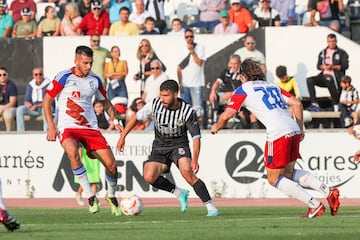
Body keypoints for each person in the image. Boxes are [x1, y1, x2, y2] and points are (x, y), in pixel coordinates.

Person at [210, 58, 340, 218]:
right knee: (288, 173)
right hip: (293, 129)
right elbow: (297, 104)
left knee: (274, 179)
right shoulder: (272, 86)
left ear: (243, 76)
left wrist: (216, 126)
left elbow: (227, 114)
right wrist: (300, 129)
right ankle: (328, 190)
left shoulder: (243, 89)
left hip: (278, 133)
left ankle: (314, 205)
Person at [117, 79, 221, 217]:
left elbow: (196, 137)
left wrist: (195, 159)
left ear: (176, 94)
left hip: (179, 145)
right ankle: (179, 193)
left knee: (187, 173)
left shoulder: (187, 111)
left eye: (166, 96)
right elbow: (137, 117)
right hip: (160, 145)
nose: (162, 99)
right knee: (149, 177)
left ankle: (211, 208)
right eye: (161, 95)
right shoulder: (154, 104)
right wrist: (123, 136)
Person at [43, 45, 123, 216]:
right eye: (85, 63)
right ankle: (90, 195)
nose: (88, 66)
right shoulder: (64, 77)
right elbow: (47, 101)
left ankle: (111, 195)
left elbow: (106, 101)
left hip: (90, 128)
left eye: (90, 63)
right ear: (76, 60)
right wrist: (51, 125)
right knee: (73, 153)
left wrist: (114, 120)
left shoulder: (95, 80)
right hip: (68, 127)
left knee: (111, 165)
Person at [306, 33, 349, 112]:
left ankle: (335, 104)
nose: (332, 43)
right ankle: (314, 103)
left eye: (333, 41)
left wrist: (332, 67)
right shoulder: (323, 52)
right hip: (324, 75)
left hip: (336, 77)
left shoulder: (341, 53)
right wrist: (323, 67)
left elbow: (345, 66)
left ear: (336, 41)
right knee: (310, 80)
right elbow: (318, 66)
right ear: (327, 42)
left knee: (328, 78)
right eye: (330, 41)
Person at [177, 28, 206, 128]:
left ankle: (201, 130)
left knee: (199, 111)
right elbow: (179, 68)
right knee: (184, 111)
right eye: (187, 37)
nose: (189, 38)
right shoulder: (181, 50)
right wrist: (180, 83)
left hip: (197, 84)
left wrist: (192, 51)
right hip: (185, 85)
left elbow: (199, 63)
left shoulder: (200, 47)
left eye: (191, 36)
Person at [16, 67, 50, 132]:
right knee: (20, 109)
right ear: (33, 76)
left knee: (45, 108)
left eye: (40, 74)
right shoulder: (31, 85)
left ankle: (47, 131)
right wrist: (27, 104)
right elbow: (27, 99)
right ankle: (20, 132)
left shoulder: (48, 84)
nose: (38, 76)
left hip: (44, 107)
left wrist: (37, 106)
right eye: (36, 74)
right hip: (33, 108)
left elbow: (49, 101)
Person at [104, 45, 128, 116]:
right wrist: (117, 74)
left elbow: (125, 73)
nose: (117, 53)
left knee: (122, 103)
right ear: (111, 53)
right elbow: (105, 75)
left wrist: (112, 74)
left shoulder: (123, 62)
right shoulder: (107, 64)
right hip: (112, 84)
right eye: (115, 52)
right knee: (112, 103)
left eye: (118, 51)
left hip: (121, 83)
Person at [0, 67, 17, 132]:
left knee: (8, 116)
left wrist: (2, 109)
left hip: (10, 107)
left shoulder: (11, 85)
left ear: (7, 75)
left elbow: (12, 102)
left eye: (4, 74)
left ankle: (10, 134)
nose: (2, 76)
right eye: (0, 75)